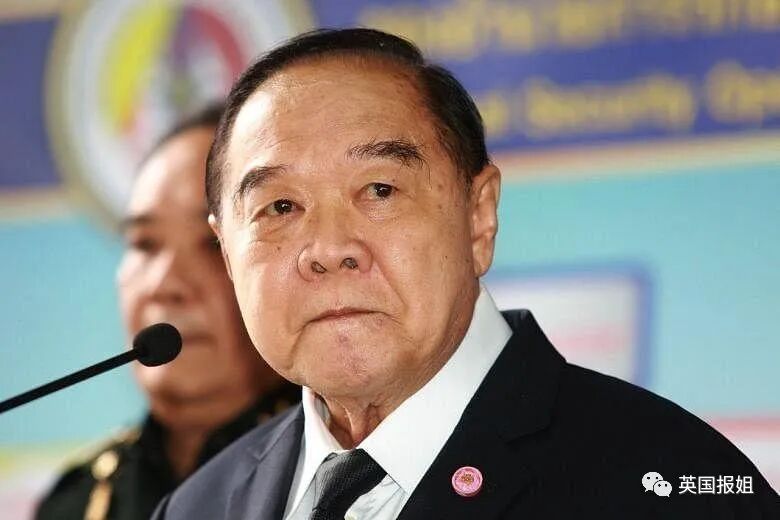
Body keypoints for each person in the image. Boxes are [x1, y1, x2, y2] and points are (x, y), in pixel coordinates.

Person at [153, 30, 779, 519]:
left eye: (380, 190)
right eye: (281, 207)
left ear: (479, 218)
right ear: (227, 253)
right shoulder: (196, 507)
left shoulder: (666, 483)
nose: (330, 249)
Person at [35, 105, 300, 520]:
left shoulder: (336, 476)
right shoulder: (78, 502)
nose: (164, 284)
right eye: (144, 244)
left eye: (211, 244)